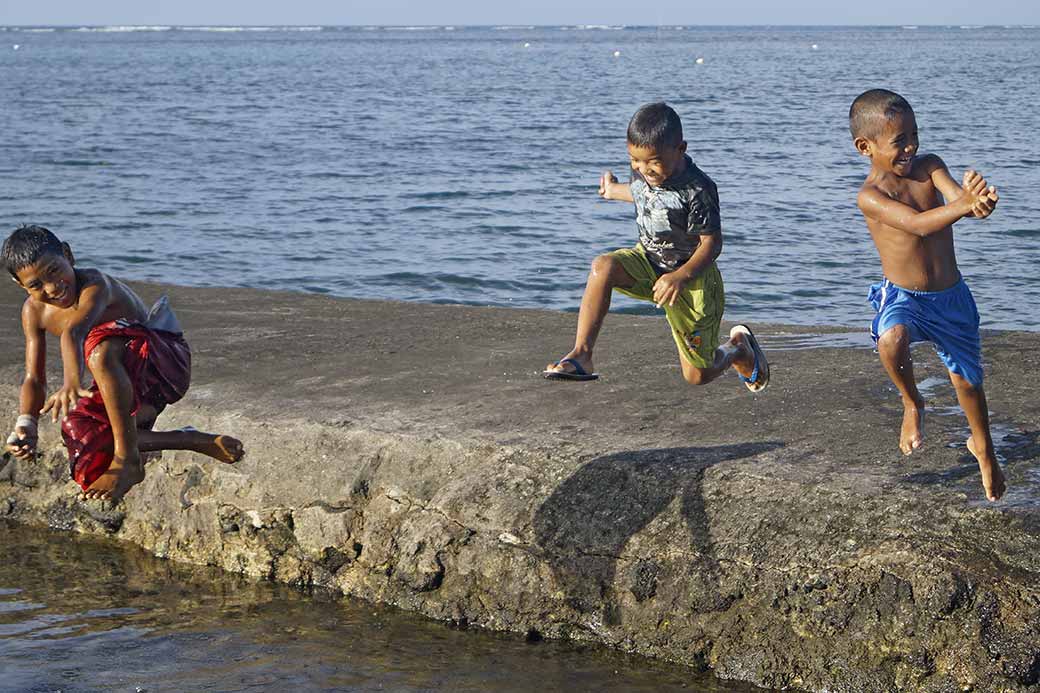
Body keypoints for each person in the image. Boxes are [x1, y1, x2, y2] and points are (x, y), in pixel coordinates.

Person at [2, 225, 244, 504]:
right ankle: (191, 440)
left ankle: (127, 458)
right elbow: (34, 378)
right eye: (36, 284)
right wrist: (26, 424)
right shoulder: (32, 311)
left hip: (161, 365)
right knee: (78, 429)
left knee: (99, 348)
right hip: (122, 386)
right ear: (21, 286)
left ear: (68, 255)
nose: (52, 287)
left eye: (54, 270)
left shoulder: (95, 285)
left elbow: (75, 333)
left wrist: (71, 383)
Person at [543, 102, 768, 392]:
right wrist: (613, 191)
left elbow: (712, 244)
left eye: (654, 161)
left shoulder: (698, 190)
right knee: (603, 266)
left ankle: (738, 349)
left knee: (697, 375)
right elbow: (644, 195)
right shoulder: (643, 169)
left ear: (680, 149)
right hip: (649, 262)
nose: (644, 169)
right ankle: (582, 355)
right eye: (635, 160)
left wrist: (680, 276)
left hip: (693, 282)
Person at [850, 89, 1003, 501]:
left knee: (968, 385)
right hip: (905, 298)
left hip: (951, 299)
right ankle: (913, 403)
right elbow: (918, 225)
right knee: (891, 339)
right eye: (900, 140)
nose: (911, 146)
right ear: (866, 147)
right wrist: (964, 206)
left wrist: (979, 204)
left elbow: (958, 202)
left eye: (914, 134)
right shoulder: (871, 196)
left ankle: (984, 449)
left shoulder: (930, 167)